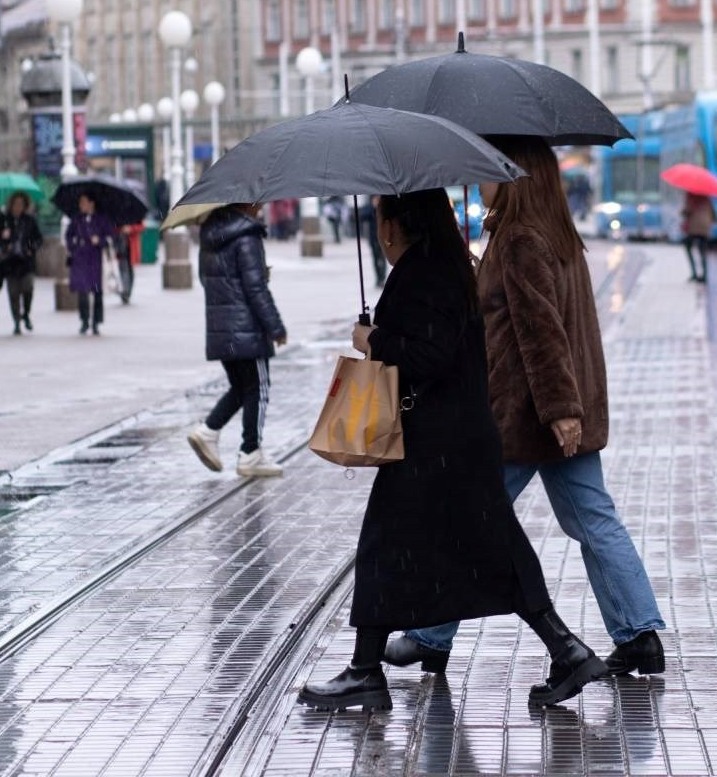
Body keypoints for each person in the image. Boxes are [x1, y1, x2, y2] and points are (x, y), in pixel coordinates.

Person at [297, 189, 605, 713]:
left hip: (439, 444)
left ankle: (367, 671)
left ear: (397, 223)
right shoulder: (443, 263)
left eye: (380, 218)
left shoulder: (428, 270)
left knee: (384, 544)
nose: (378, 230)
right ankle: (566, 649)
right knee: (492, 548)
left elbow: (430, 355)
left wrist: (374, 341)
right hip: (455, 439)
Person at [385, 136, 667, 679]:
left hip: (526, 414)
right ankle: (639, 634)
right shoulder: (555, 235)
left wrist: (560, 409)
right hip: (560, 412)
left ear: (515, 175)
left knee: (468, 516)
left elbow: (542, 332)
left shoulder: (518, 240)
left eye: (490, 169)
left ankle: (429, 636)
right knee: (594, 521)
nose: (482, 179)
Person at [187, 204, 288, 478]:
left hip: (221, 328)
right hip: (247, 330)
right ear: (245, 203)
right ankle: (251, 452)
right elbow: (255, 289)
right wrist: (276, 327)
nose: (262, 205)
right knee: (259, 387)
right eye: (257, 200)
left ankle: (208, 431)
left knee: (241, 388)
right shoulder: (247, 236)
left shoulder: (211, 235)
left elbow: (207, 279)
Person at [0, 191, 42, 335]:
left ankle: (26, 313)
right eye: (15, 204)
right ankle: (16, 321)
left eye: (21, 204)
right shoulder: (4, 219)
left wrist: (31, 248)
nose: (18, 207)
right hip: (10, 262)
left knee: (28, 288)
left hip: (26, 262)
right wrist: (3, 236)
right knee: (13, 293)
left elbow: (38, 239)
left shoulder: (29, 220)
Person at [65, 192, 114, 336]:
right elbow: (68, 236)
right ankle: (84, 320)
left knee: (97, 291)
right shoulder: (76, 219)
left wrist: (99, 241)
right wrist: (73, 246)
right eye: (80, 202)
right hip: (80, 257)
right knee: (82, 290)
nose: (81, 205)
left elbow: (110, 237)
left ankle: (96, 322)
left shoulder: (102, 219)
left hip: (95, 258)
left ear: (92, 203)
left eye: (84, 202)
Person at [681, 191, 715, 283]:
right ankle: (704, 275)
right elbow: (714, 214)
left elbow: (687, 211)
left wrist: (683, 212)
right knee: (702, 251)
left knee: (688, 247)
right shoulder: (707, 197)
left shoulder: (691, 196)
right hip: (705, 228)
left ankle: (694, 273)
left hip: (693, 228)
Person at [360, 195, 387, 288]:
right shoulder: (369, 207)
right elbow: (363, 217)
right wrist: (373, 207)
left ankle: (382, 278)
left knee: (383, 258)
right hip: (373, 238)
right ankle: (378, 278)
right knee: (375, 258)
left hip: (384, 237)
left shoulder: (384, 207)